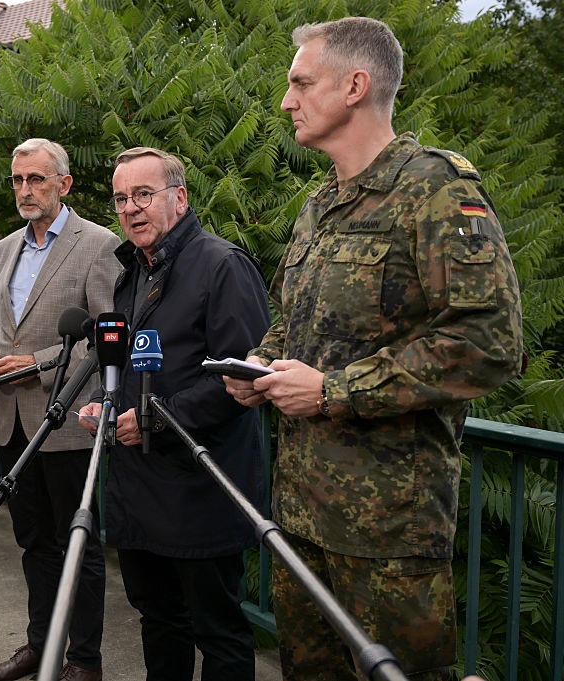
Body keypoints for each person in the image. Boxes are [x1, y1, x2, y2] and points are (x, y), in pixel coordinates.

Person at [223, 17, 524, 681]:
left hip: (389, 529)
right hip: (302, 514)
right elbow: (295, 321)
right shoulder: (318, 204)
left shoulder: (436, 190)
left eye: (301, 82)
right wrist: (260, 365)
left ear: (355, 85)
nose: (285, 100)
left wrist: (333, 390)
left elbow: (491, 342)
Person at [78, 147, 270, 681]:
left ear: (179, 198)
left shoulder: (222, 265)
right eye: (121, 199)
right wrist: (107, 401)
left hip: (203, 487)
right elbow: (129, 364)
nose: (132, 209)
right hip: (140, 488)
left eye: (144, 194)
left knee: (219, 632)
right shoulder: (130, 272)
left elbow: (240, 381)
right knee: (158, 620)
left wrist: (154, 419)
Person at [0, 139, 119, 681]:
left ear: (64, 184)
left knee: (77, 545)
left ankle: (84, 661)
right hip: (9, 420)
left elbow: (106, 339)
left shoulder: (99, 244)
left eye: (36, 179)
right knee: (32, 542)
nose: (25, 190)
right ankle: (40, 648)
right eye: (17, 180)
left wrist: (33, 362)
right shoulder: (6, 246)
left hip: (66, 420)